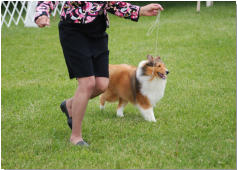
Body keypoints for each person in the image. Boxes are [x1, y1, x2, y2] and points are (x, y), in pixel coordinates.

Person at [35, 1, 163, 146]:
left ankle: (70, 104)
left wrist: (140, 10)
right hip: (73, 31)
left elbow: (112, 4)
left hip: (98, 32)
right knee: (88, 83)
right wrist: (42, 13)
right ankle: (76, 137)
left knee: (102, 84)